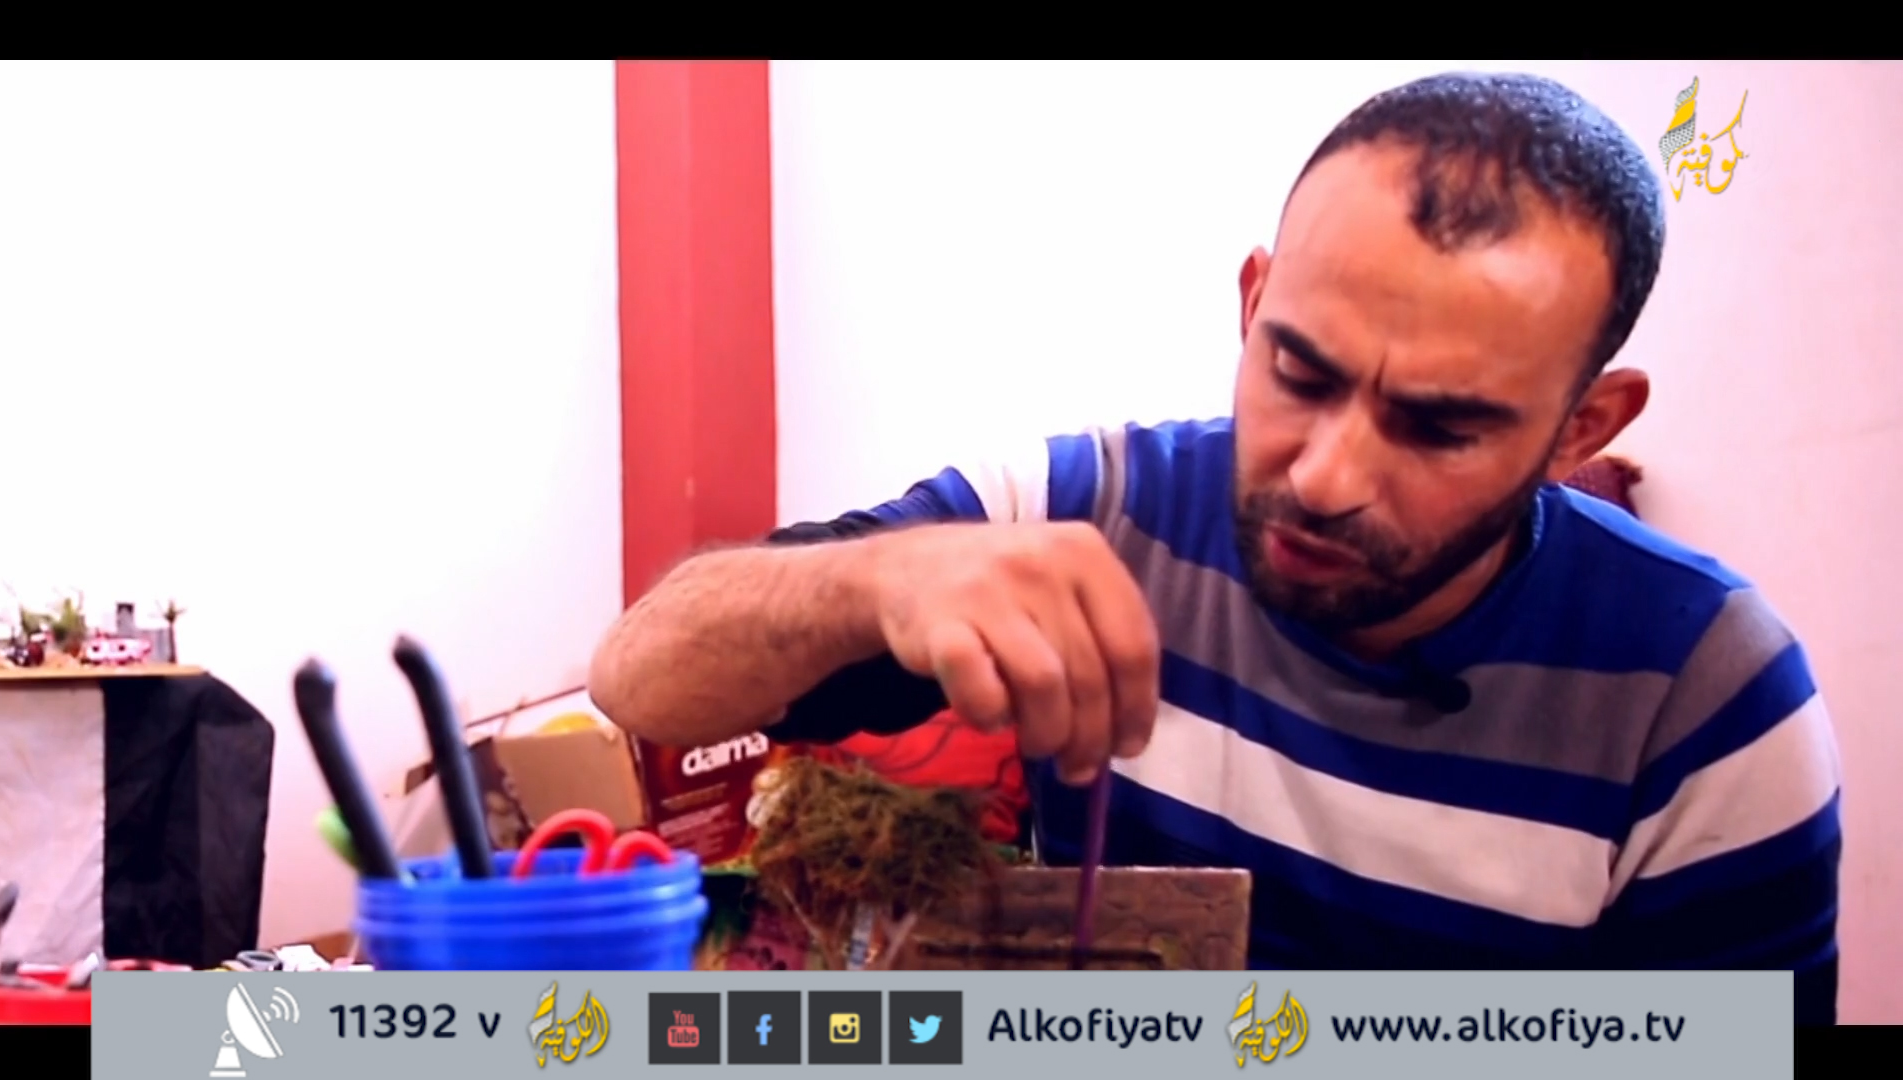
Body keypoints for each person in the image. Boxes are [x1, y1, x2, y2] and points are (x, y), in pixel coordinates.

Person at [589, 72, 1841, 1024]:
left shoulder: (1709, 704)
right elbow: (641, 677)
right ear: (1253, 303)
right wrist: (878, 577)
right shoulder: (1090, 503)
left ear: (1583, 428)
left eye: (1440, 426)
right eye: (1300, 371)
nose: (1325, 477)